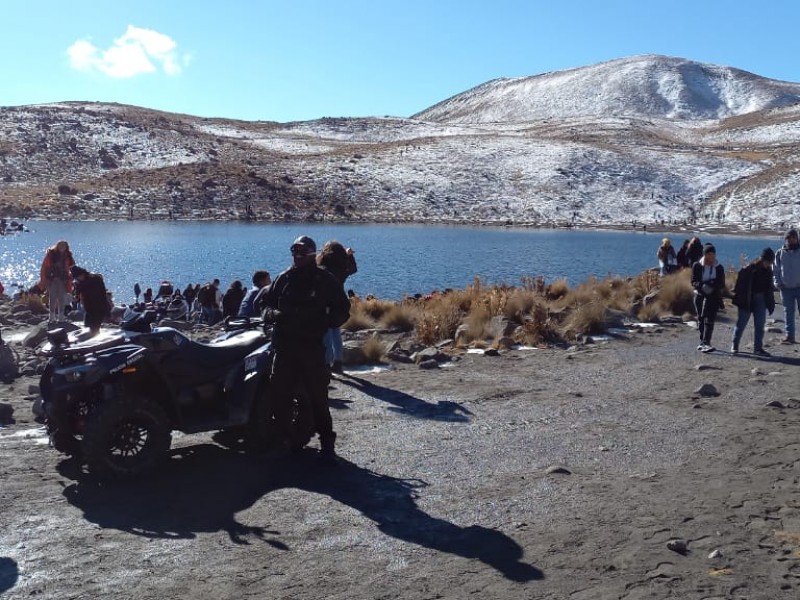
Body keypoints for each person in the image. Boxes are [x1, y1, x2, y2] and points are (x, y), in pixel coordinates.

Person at [259, 235, 350, 464]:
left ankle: (327, 445)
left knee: (318, 397)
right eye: (294, 252)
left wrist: (326, 321)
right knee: (281, 397)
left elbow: (343, 309)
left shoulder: (324, 279)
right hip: (285, 348)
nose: (297, 256)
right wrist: (273, 315)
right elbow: (264, 305)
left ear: (311, 253)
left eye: (302, 252)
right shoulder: (283, 278)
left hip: (311, 348)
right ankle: (283, 442)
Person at [317, 241, 358, 373]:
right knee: (335, 330)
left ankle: (327, 363)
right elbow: (353, 269)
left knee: (326, 333)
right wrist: (350, 256)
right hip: (339, 302)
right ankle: (338, 361)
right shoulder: (342, 268)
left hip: (326, 303)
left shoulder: (324, 268)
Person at [731, 248, 776, 356]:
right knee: (741, 323)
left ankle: (758, 348)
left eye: (770, 262)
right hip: (747, 299)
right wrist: (739, 299)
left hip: (761, 300)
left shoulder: (769, 271)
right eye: (767, 261)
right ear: (762, 259)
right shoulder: (749, 269)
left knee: (760, 325)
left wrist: (770, 302)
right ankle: (734, 345)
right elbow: (739, 285)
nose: (768, 264)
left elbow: (769, 288)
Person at [691, 243, 725, 352]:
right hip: (700, 295)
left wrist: (712, 284)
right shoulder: (697, 265)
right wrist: (702, 285)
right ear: (704, 254)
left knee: (709, 319)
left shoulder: (719, 267)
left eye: (713, 254)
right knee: (701, 318)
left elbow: (722, 283)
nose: (711, 257)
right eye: (709, 254)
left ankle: (707, 342)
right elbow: (693, 281)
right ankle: (702, 341)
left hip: (713, 296)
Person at [774, 228, 800, 344]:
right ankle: (790, 336)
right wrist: (777, 283)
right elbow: (775, 270)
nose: (791, 240)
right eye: (788, 238)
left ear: (797, 238)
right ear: (785, 239)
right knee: (788, 312)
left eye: (793, 237)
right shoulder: (779, 253)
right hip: (785, 288)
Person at [39, 240, 75, 322]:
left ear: (66, 247)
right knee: (52, 297)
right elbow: (44, 267)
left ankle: (61, 317)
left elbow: (73, 268)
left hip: (63, 280)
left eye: (64, 245)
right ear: (57, 246)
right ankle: (51, 316)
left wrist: (71, 278)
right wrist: (43, 281)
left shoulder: (69, 256)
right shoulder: (51, 254)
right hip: (52, 279)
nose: (62, 247)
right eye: (60, 245)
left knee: (61, 298)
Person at [70, 265, 110, 335]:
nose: (78, 278)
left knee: (95, 326)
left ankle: (97, 339)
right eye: (76, 278)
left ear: (82, 273)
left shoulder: (95, 278)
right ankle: (92, 338)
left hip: (99, 304)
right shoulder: (79, 283)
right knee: (88, 325)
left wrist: (107, 306)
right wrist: (76, 298)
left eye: (78, 276)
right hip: (89, 307)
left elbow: (103, 292)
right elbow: (77, 295)